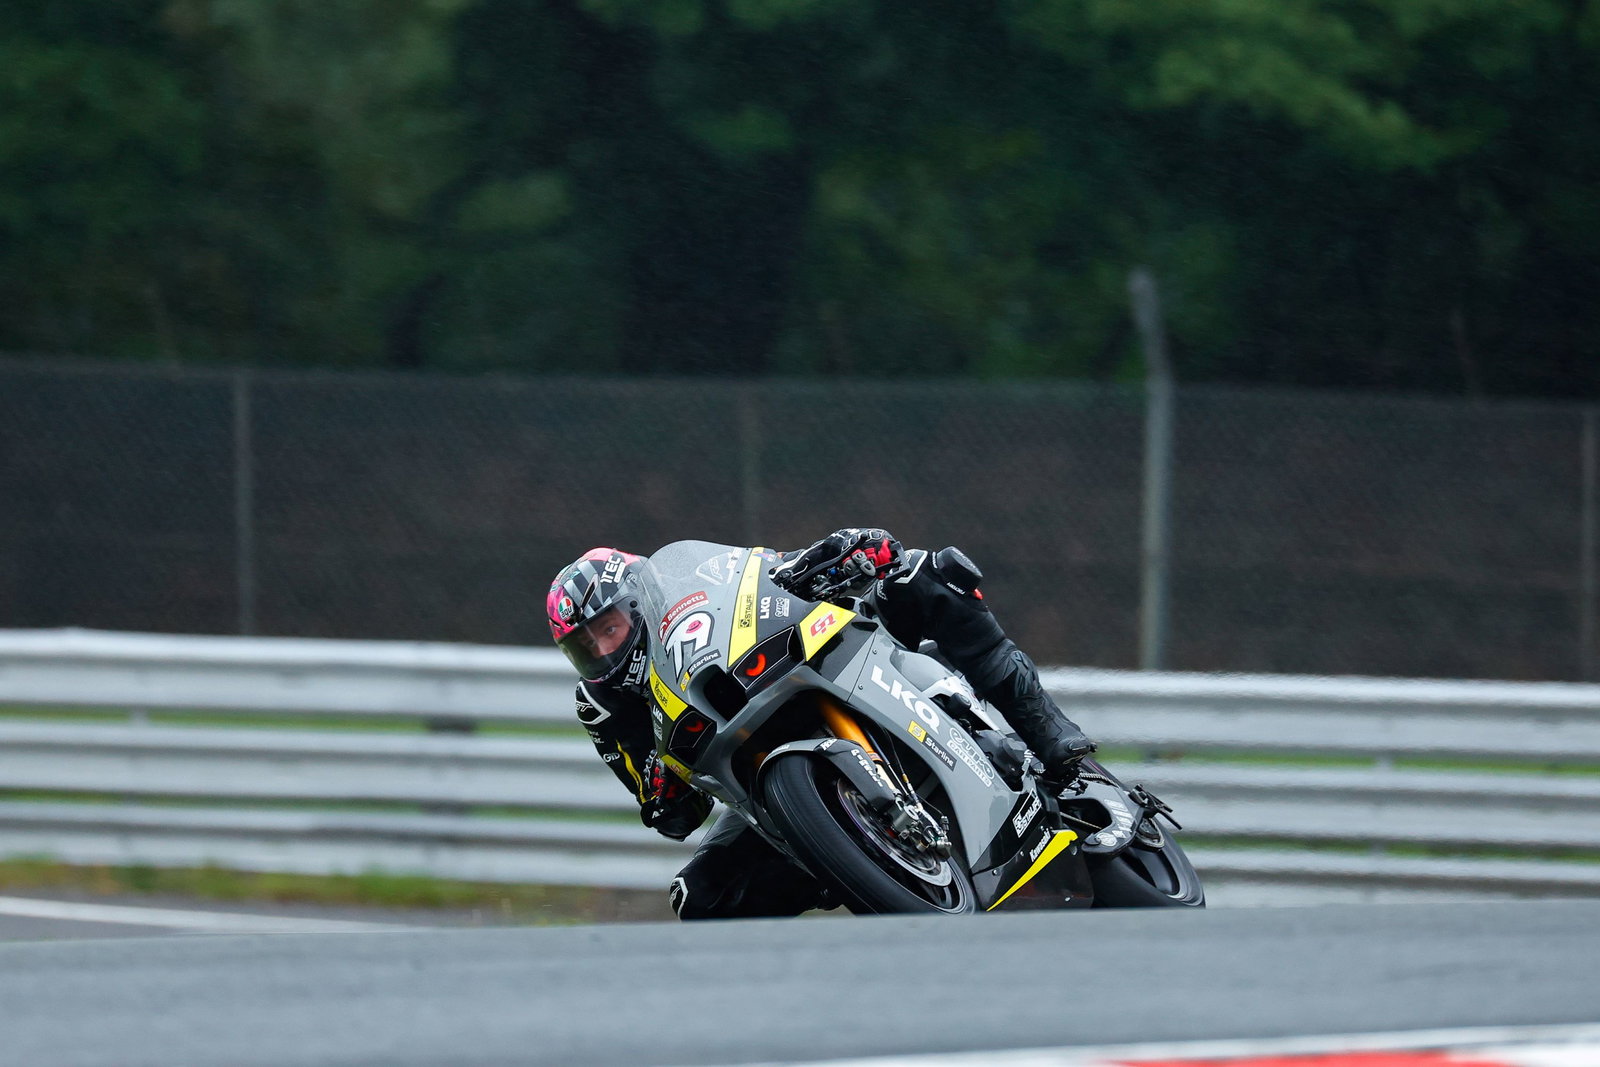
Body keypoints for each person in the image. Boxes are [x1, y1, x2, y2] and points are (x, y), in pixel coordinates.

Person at [545, 529, 1097, 919]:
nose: (601, 649)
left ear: (637, 603)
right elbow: (671, 814)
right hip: (755, 783)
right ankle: (848, 876)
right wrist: (661, 790)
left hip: (810, 662)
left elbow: (762, 574)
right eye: (584, 646)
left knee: (927, 574)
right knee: (699, 896)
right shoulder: (603, 707)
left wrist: (835, 556)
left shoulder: (695, 582)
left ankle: (1047, 735)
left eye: (607, 628)